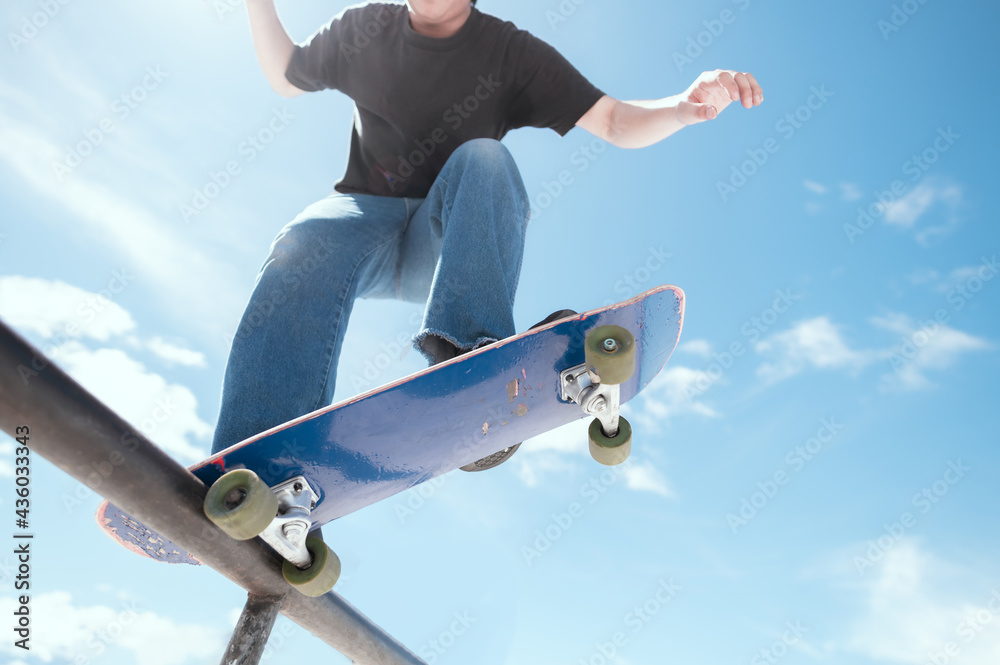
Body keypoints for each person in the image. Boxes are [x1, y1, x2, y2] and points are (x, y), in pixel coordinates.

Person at [212, 0, 763, 470]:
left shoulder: (509, 52)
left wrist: (683, 108)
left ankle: (471, 363)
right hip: (363, 219)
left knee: (486, 158)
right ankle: (257, 461)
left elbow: (614, 120)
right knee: (304, 238)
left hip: (450, 239)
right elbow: (286, 76)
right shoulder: (363, 28)